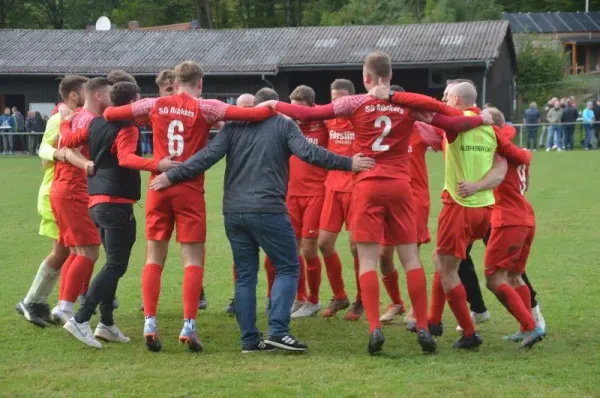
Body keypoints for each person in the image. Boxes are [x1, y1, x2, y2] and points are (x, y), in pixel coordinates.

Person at [261, 51, 490, 355]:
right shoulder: (407, 105)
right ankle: (422, 326)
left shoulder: (356, 102)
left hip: (367, 185)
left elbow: (310, 114)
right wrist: (481, 118)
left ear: (365, 78)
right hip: (400, 186)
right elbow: (451, 121)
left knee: (368, 260)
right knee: (411, 259)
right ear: (391, 76)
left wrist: (274, 104)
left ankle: (374, 329)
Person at [149, 87, 375, 353]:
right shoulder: (283, 124)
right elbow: (309, 153)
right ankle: (278, 331)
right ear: (274, 105)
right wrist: (349, 163)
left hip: (234, 212)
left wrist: (171, 175)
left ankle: (249, 340)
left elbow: (205, 158)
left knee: (245, 276)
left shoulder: (233, 127)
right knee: (289, 266)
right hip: (268, 209)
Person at [102, 60, 275, 353]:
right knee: (193, 260)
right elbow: (254, 114)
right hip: (189, 188)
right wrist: (273, 107)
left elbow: (109, 113)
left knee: (154, 257)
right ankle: (188, 326)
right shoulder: (206, 107)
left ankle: (150, 322)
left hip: (159, 185)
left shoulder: (154, 104)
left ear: (175, 80)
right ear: (200, 83)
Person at [389, 82, 531, 349]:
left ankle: (469, 332)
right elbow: (516, 155)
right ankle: (434, 320)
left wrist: (392, 96)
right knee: (441, 260)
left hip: (458, 206)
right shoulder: (490, 128)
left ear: (455, 99)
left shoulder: (455, 122)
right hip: (485, 209)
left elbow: (426, 108)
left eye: (445, 96)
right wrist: (525, 154)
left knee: (446, 269)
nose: (442, 100)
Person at [60, 82, 180, 348]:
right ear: (133, 102)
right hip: (116, 203)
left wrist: (67, 121)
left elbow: (67, 142)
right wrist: (157, 165)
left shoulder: (94, 124)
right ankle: (81, 319)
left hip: (96, 203)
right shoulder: (127, 127)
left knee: (111, 264)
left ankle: (106, 324)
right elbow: (126, 158)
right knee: (116, 264)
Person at [458, 108, 544, 348]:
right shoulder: (518, 151)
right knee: (514, 276)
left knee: (493, 279)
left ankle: (530, 326)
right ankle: (526, 327)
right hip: (525, 216)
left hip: (508, 218)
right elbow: (523, 157)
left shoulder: (499, 148)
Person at [15, 75, 92, 327]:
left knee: (68, 251)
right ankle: (34, 300)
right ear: (72, 94)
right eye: (85, 90)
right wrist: (59, 153)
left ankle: (50, 301)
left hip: (68, 191)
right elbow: (42, 149)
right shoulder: (60, 118)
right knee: (64, 251)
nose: (88, 93)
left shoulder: (78, 116)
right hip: (55, 192)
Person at [49, 77, 112, 325]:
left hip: (62, 190)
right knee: (89, 250)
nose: (111, 98)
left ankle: (63, 304)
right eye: (108, 94)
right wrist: (85, 164)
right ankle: (66, 306)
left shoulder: (75, 117)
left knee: (77, 250)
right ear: (97, 95)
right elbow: (68, 150)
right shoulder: (88, 120)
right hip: (74, 191)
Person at [272, 85, 330, 319]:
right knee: (290, 249)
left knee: (309, 248)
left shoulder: (323, 122)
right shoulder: (287, 125)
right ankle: (299, 297)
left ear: (312, 106)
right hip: (291, 193)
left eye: (301, 109)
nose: (298, 114)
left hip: (316, 192)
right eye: (293, 108)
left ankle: (314, 300)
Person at [318, 79, 360, 320]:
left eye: (342, 99)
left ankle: (361, 299)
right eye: (334, 99)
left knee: (357, 247)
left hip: (356, 189)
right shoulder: (328, 119)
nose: (338, 103)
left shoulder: (361, 119)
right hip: (332, 188)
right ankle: (340, 295)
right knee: (324, 243)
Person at [224, 93, 258, 315]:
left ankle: (274, 298)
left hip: (267, 203)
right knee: (241, 260)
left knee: (277, 260)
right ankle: (240, 300)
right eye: (241, 108)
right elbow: (209, 155)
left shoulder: (270, 129)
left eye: (249, 107)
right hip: (238, 203)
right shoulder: (231, 131)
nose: (245, 112)